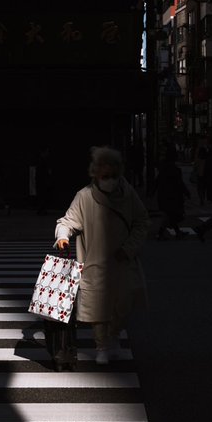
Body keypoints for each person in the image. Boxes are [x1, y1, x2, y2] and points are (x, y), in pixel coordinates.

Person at [54, 146, 149, 365]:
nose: (110, 180)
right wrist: (62, 236)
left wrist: (129, 248)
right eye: (105, 176)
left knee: (123, 303)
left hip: (123, 260)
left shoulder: (128, 193)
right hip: (94, 262)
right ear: (95, 173)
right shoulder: (85, 196)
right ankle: (102, 346)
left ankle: (114, 336)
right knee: (98, 307)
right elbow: (68, 221)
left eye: (114, 176)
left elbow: (142, 221)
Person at [152, 153, 190, 240]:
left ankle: (176, 232)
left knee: (169, 215)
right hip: (173, 197)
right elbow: (180, 183)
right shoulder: (176, 170)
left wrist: (152, 192)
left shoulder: (163, 170)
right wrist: (186, 192)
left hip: (164, 196)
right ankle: (162, 234)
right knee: (170, 215)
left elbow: (156, 182)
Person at [32, 147, 53, 215]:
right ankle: (41, 210)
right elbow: (42, 172)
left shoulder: (41, 161)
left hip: (41, 181)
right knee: (42, 195)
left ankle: (41, 209)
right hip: (42, 181)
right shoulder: (42, 161)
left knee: (42, 195)